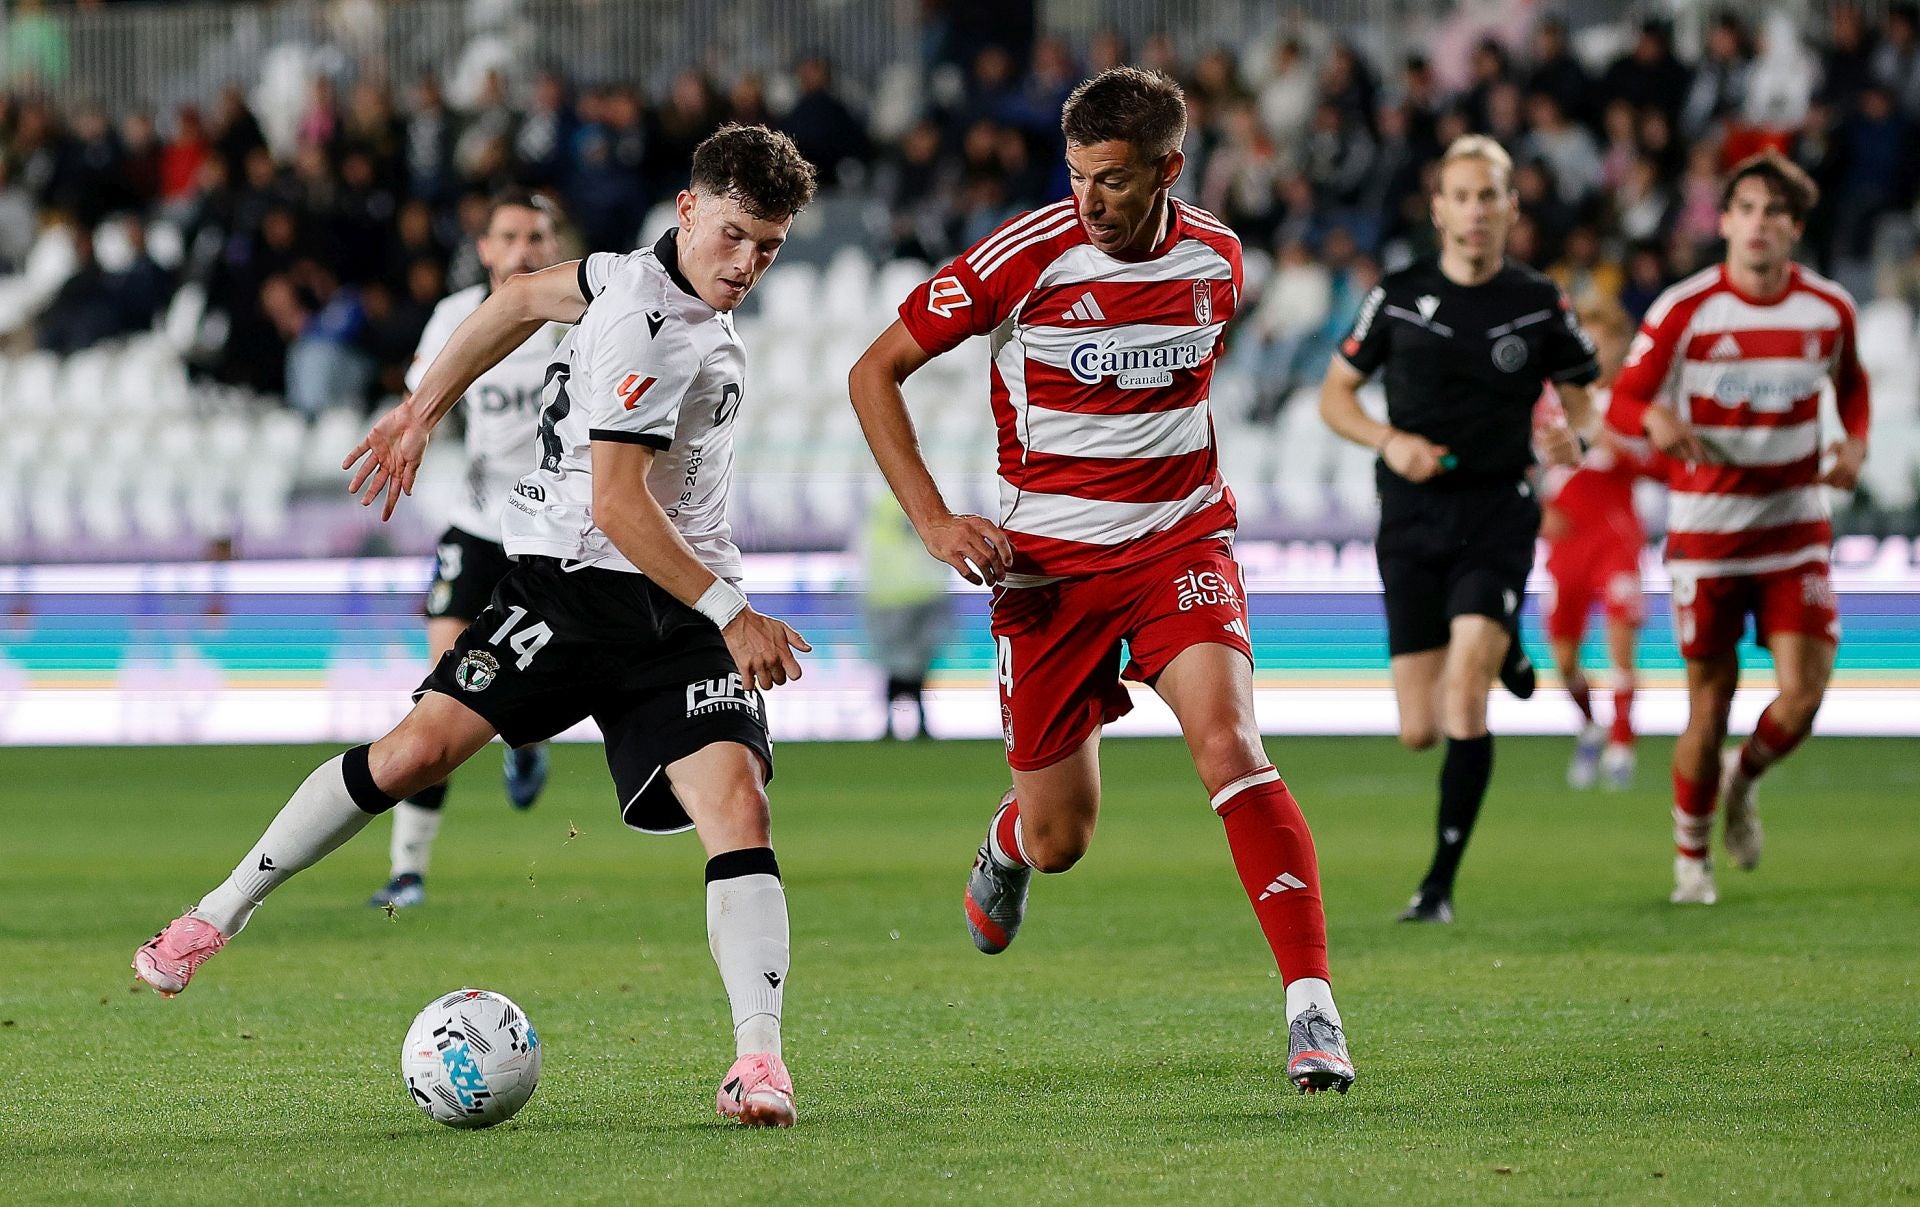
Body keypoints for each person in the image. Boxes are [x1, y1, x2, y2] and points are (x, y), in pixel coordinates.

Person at [133, 125, 819, 1128]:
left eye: (769, 245)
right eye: (734, 236)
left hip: (671, 610)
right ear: (686, 209)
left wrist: (421, 410)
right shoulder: (647, 323)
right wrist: (734, 612)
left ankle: (759, 1064)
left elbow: (515, 297)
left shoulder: (627, 275)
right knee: (413, 754)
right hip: (576, 592)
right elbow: (622, 503)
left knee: (738, 808)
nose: (748, 264)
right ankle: (214, 913)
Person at [849, 67, 1355, 1096]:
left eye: (1116, 181)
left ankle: (1312, 1009)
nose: (1091, 201)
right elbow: (873, 371)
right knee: (1061, 837)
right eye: (1078, 176)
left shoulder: (1219, 257)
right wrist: (937, 520)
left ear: (1170, 169)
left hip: (1179, 549)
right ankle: (1010, 836)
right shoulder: (1021, 258)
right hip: (1047, 577)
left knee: (1230, 744)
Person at [1318, 136, 1601, 925]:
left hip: (1498, 508)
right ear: (1437, 207)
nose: (1476, 211)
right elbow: (1335, 397)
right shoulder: (1398, 295)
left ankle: (1437, 885)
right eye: (1462, 196)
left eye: (1490, 196)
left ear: (1512, 207)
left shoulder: (1540, 301)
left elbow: (1586, 395)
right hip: (1410, 515)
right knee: (1420, 728)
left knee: (1465, 696)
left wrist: (1576, 437)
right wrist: (1389, 439)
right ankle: (1507, 640)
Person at [1604, 150, 1869, 906]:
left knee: (1804, 696)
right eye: (1746, 208)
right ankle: (1692, 861)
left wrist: (1852, 443)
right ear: (1724, 221)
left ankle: (1741, 779)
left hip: (1795, 529)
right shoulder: (1685, 309)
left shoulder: (1828, 310)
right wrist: (1651, 414)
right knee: (1710, 703)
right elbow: (1624, 400)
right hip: (1709, 533)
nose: (1758, 224)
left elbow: (1853, 394)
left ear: (1794, 227)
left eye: (1774, 212)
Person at [367, 190, 566, 912]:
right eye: (509, 236)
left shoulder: (582, 317)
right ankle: (408, 871)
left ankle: (526, 737)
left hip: (553, 533)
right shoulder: (457, 318)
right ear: (485, 249)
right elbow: (426, 397)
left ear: (554, 243)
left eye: (536, 236)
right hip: (479, 526)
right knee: (439, 686)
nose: (524, 250)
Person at [1538, 300, 1663, 790]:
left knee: (1619, 648)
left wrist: (1616, 444)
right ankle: (1590, 725)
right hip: (1565, 542)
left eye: (1602, 342)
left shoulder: (1631, 402)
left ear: (1620, 348)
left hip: (1615, 538)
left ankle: (1622, 747)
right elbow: (1527, 465)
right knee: (1564, 660)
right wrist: (1536, 509)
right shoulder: (1549, 402)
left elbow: (1659, 462)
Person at [858, 490, 952, 740]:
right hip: (913, 593)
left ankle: (896, 722)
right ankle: (915, 721)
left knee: (900, 663)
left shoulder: (881, 506)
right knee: (911, 663)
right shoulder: (921, 499)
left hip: (894, 595)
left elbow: (867, 549)